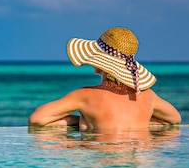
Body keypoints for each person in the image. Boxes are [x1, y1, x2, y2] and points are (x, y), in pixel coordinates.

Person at [28, 27, 181, 131]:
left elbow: (37, 119)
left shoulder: (84, 96)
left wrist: (80, 120)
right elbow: (174, 119)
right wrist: (132, 124)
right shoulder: (147, 95)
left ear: (98, 61)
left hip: (101, 165)